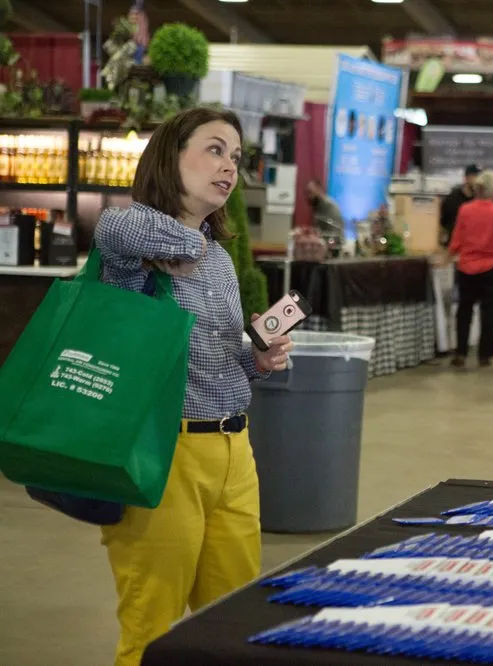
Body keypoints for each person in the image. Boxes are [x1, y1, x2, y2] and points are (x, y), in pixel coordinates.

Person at [94, 107, 291, 666]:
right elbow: (113, 224)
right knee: (151, 628)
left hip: (233, 450)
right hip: (162, 453)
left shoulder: (222, 262)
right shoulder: (136, 243)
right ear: (169, 156)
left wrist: (258, 358)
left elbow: (226, 363)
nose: (229, 166)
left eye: (235, 156)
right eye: (214, 149)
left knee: (232, 618)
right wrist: (191, 240)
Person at [448, 169, 493, 368]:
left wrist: (448, 255)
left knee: (464, 311)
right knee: (489, 312)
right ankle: (485, 355)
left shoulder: (465, 210)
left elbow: (456, 240)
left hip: (466, 268)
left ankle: (460, 352)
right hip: (491, 268)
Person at [440, 164, 479, 243]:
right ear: (466, 178)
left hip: (473, 244)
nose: (477, 181)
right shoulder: (452, 198)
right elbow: (443, 221)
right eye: (475, 176)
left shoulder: (479, 199)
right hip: (453, 244)